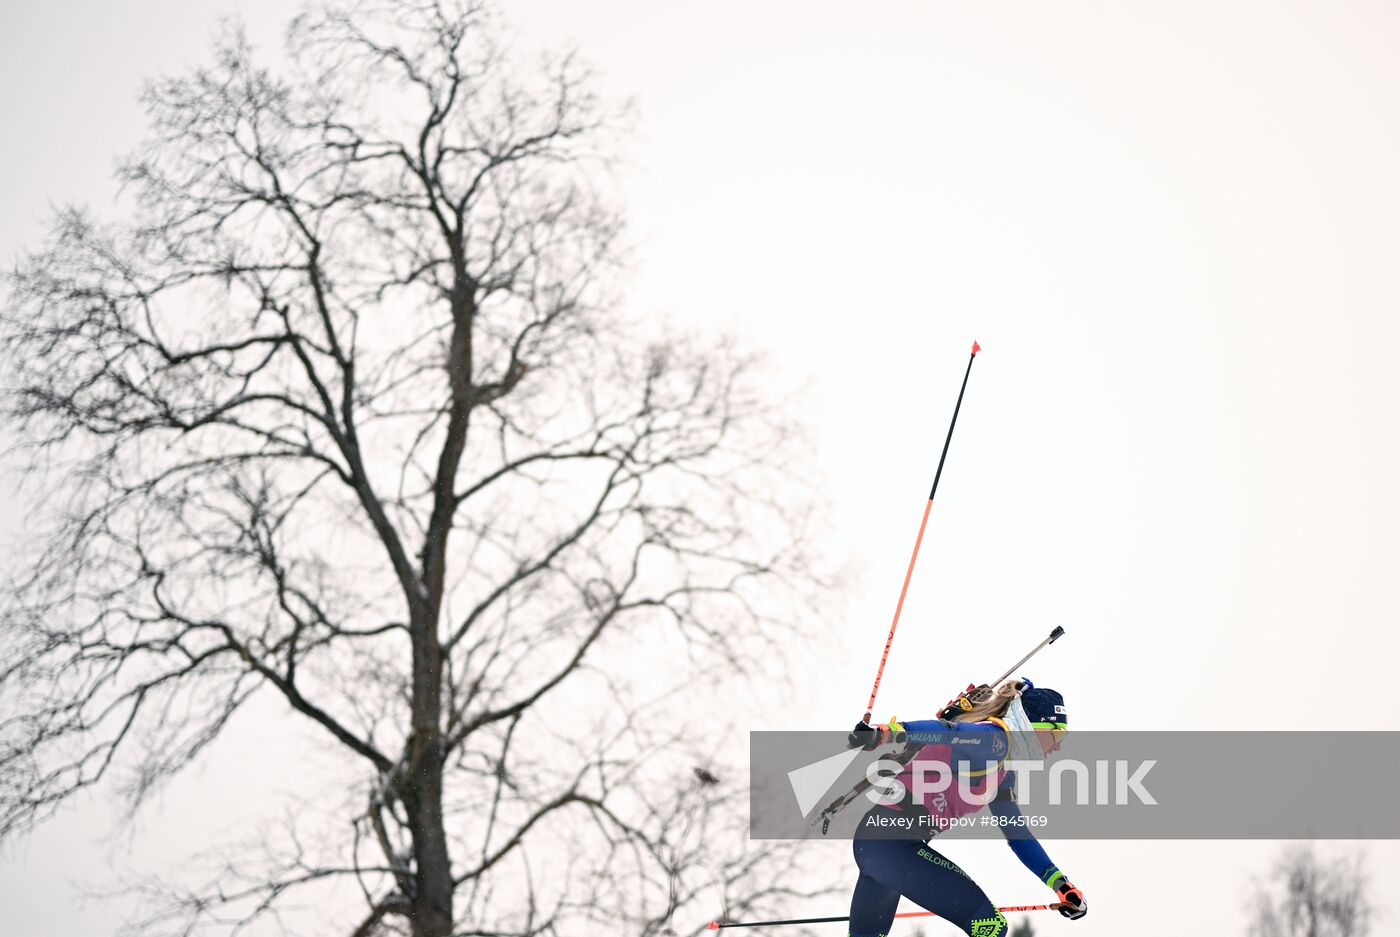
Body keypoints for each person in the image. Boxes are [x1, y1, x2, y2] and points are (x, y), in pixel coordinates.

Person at [844, 680, 1086, 937]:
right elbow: (946, 730)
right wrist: (887, 732)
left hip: (883, 845)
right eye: (1055, 734)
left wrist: (1060, 883)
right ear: (1030, 726)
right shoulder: (994, 739)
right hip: (890, 844)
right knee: (991, 927)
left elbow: (1018, 835)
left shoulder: (1003, 772)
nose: (1057, 746)